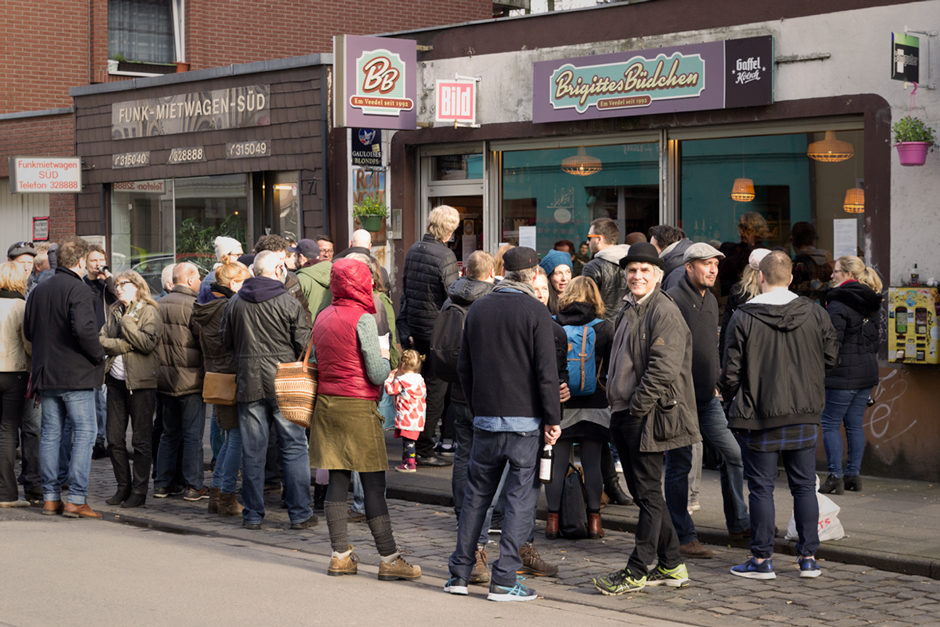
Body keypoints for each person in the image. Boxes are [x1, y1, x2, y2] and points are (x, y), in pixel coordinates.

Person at [445, 246, 561, 602]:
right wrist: (553, 419)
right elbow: (546, 372)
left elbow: (463, 367)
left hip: (485, 418)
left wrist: (480, 403)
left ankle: (459, 574)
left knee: (477, 496)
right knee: (520, 500)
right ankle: (505, 578)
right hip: (524, 421)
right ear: (533, 276)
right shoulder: (535, 311)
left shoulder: (478, 308)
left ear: (503, 272)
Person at [721, 251, 838, 580]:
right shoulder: (815, 314)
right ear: (790, 279)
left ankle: (762, 561)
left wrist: (735, 398)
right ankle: (809, 558)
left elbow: (730, 371)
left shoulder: (743, 317)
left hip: (760, 414)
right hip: (803, 412)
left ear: (760, 277)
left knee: (761, 487)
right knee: (803, 487)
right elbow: (831, 357)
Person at [592, 242, 699, 595]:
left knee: (649, 494)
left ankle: (637, 569)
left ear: (658, 275)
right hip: (625, 412)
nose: (638, 276)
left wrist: (636, 408)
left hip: (648, 416)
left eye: (645, 271)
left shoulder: (663, 310)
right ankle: (672, 565)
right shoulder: (628, 307)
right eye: (632, 270)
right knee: (645, 494)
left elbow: (662, 370)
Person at [311, 258, 421, 581]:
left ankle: (340, 555)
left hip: (328, 405)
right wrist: (388, 365)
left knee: (337, 480)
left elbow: (317, 360)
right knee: (374, 484)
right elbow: (374, 371)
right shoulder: (363, 319)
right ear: (360, 283)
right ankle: (389, 558)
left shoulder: (323, 316)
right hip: (358, 407)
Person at [664, 243, 750, 559]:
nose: (713, 270)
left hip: (708, 399)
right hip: (680, 400)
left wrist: (716, 382)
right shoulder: (673, 299)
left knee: (734, 454)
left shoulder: (712, 300)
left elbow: (710, 346)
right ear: (689, 267)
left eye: (715, 264)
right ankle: (682, 534)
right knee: (679, 466)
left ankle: (739, 522)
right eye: (706, 264)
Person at [220, 250, 315, 531]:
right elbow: (304, 344)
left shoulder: (235, 302)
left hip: (248, 381)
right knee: (295, 446)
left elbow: (225, 341)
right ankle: (300, 513)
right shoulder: (288, 302)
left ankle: (252, 514)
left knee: (253, 450)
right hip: (284, 380)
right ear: (276, 270)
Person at [24, 236, 106, 519]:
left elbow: (29, 331)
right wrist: (99, 356)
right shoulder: (80, 290)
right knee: (84, 433)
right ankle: (76, 498)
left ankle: (50, 498)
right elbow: (85, 332)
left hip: (46, 372)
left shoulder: (39, 290)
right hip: (76, 374)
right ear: (82, 262)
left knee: (51, 435)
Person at [434, 250, 496, 585]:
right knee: (485, 466)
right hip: (484, 392)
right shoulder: (490, 301)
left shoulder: (451, 298)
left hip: (457, 388)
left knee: (462, 454)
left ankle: (463, 514)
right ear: (491, 272)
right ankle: (478, 542)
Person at [545, 276, 612, 540]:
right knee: (593, 464)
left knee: (557, 465)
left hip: (562, 404)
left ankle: (552, 521)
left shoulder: (553, 324)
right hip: (595, 403)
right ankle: (594, 522)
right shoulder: (605, 327)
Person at [397, 205, 460, 466]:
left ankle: (412, 443)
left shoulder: (414, 250)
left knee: (416, 390)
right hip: (438, 333)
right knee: (435, 390)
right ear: (448, 229)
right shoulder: (444, 255)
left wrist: (406, 330)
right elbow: (453, 294)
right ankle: (424, 446)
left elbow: (406, 291)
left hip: (416, 329)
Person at [819, 256, 883, 495]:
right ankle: (853, 476)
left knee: (830, 423)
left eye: (836, 271)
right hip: (866, 372)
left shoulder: (838, 302)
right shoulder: (872, 301)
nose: (832, 275)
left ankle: (835, 476)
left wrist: (823, 367)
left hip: (842, 374)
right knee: (855, 424)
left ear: (848, 274)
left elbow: (832, 341)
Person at [98, 270, 162, 508]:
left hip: (141, 383)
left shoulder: (149, 311)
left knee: (141, 441)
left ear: (138, 286)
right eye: (117, 285)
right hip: (115, 382)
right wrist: (124, 345)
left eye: (124, 284)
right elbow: (101, 340)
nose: (119, 288)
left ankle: (139, 490)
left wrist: (126, 325)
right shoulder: (114, 310)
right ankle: (122, 486)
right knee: (114, 439)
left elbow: (146, 344)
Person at [192, 260, 251, 516]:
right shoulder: (228, 306)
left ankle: (217, 494)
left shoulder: (207, 305)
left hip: (216, 376)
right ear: (234, 283)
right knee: (235, 437)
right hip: (232, 376)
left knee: (228, 437)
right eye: (245, 283)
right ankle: (226, 496)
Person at [153, 262, 207, 501]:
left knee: (169, 433)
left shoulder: (157, 305)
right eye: (198, 278)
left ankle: (162, 484)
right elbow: (203, 344)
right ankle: (194, 485)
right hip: (190, 378)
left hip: (163, 379)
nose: (200, 283)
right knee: (192, 435)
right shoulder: (195, 306)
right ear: (189, 279)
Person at [0, 261, 31, 507]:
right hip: (14, 373)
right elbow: (28, 344)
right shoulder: (21, 306)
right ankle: (7, 492)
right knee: (8, 432)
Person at [84, 245, 118, 460]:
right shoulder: (81, 284)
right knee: (92, 398)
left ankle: (101, 439)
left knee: (104, 398)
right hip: (87, 344)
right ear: (85, 262)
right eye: (94, 259)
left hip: (105, 344)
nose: (98, 263)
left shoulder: (107, 284)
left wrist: (110, 280)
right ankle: (92, 438)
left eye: (101, 259)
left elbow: (121, 301)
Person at [719, 248, 771, 366]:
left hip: (741, 355)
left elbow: (726, 328)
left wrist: (723, 361)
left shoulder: (738, 291)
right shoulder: (775, 294)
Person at [384, 350, 427, 473]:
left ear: (402, 365)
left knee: (408, 442)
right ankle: (407, 460)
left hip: (406, 415)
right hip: (418, 416)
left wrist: (389, 378)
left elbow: (391, 391)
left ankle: (410, 463)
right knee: (410, 440)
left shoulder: (401, 380)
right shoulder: (420, 379)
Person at [582, 218, 630, 325]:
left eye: (589, 237)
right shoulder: (632, 262)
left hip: (599, 328)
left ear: (599, 239)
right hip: (626, 326)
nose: (587, 242)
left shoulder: (592, 267)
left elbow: (586, 304)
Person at [718, 211, 769, 298]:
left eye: (746, 229)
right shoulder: (731, 249)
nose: (741, 232)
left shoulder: (764, 252)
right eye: (741, 228)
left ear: (756, 231)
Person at [649, 225, 692, 291]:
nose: (650, 251)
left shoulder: (676, 275)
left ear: (663, 246)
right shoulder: (681, 262)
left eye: (652, 247)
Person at [538, 249, 572, 315]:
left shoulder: (578, 300)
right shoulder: (543, 302)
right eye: (559, 273)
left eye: (568, 272)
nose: (564, 278)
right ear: (549, 277)